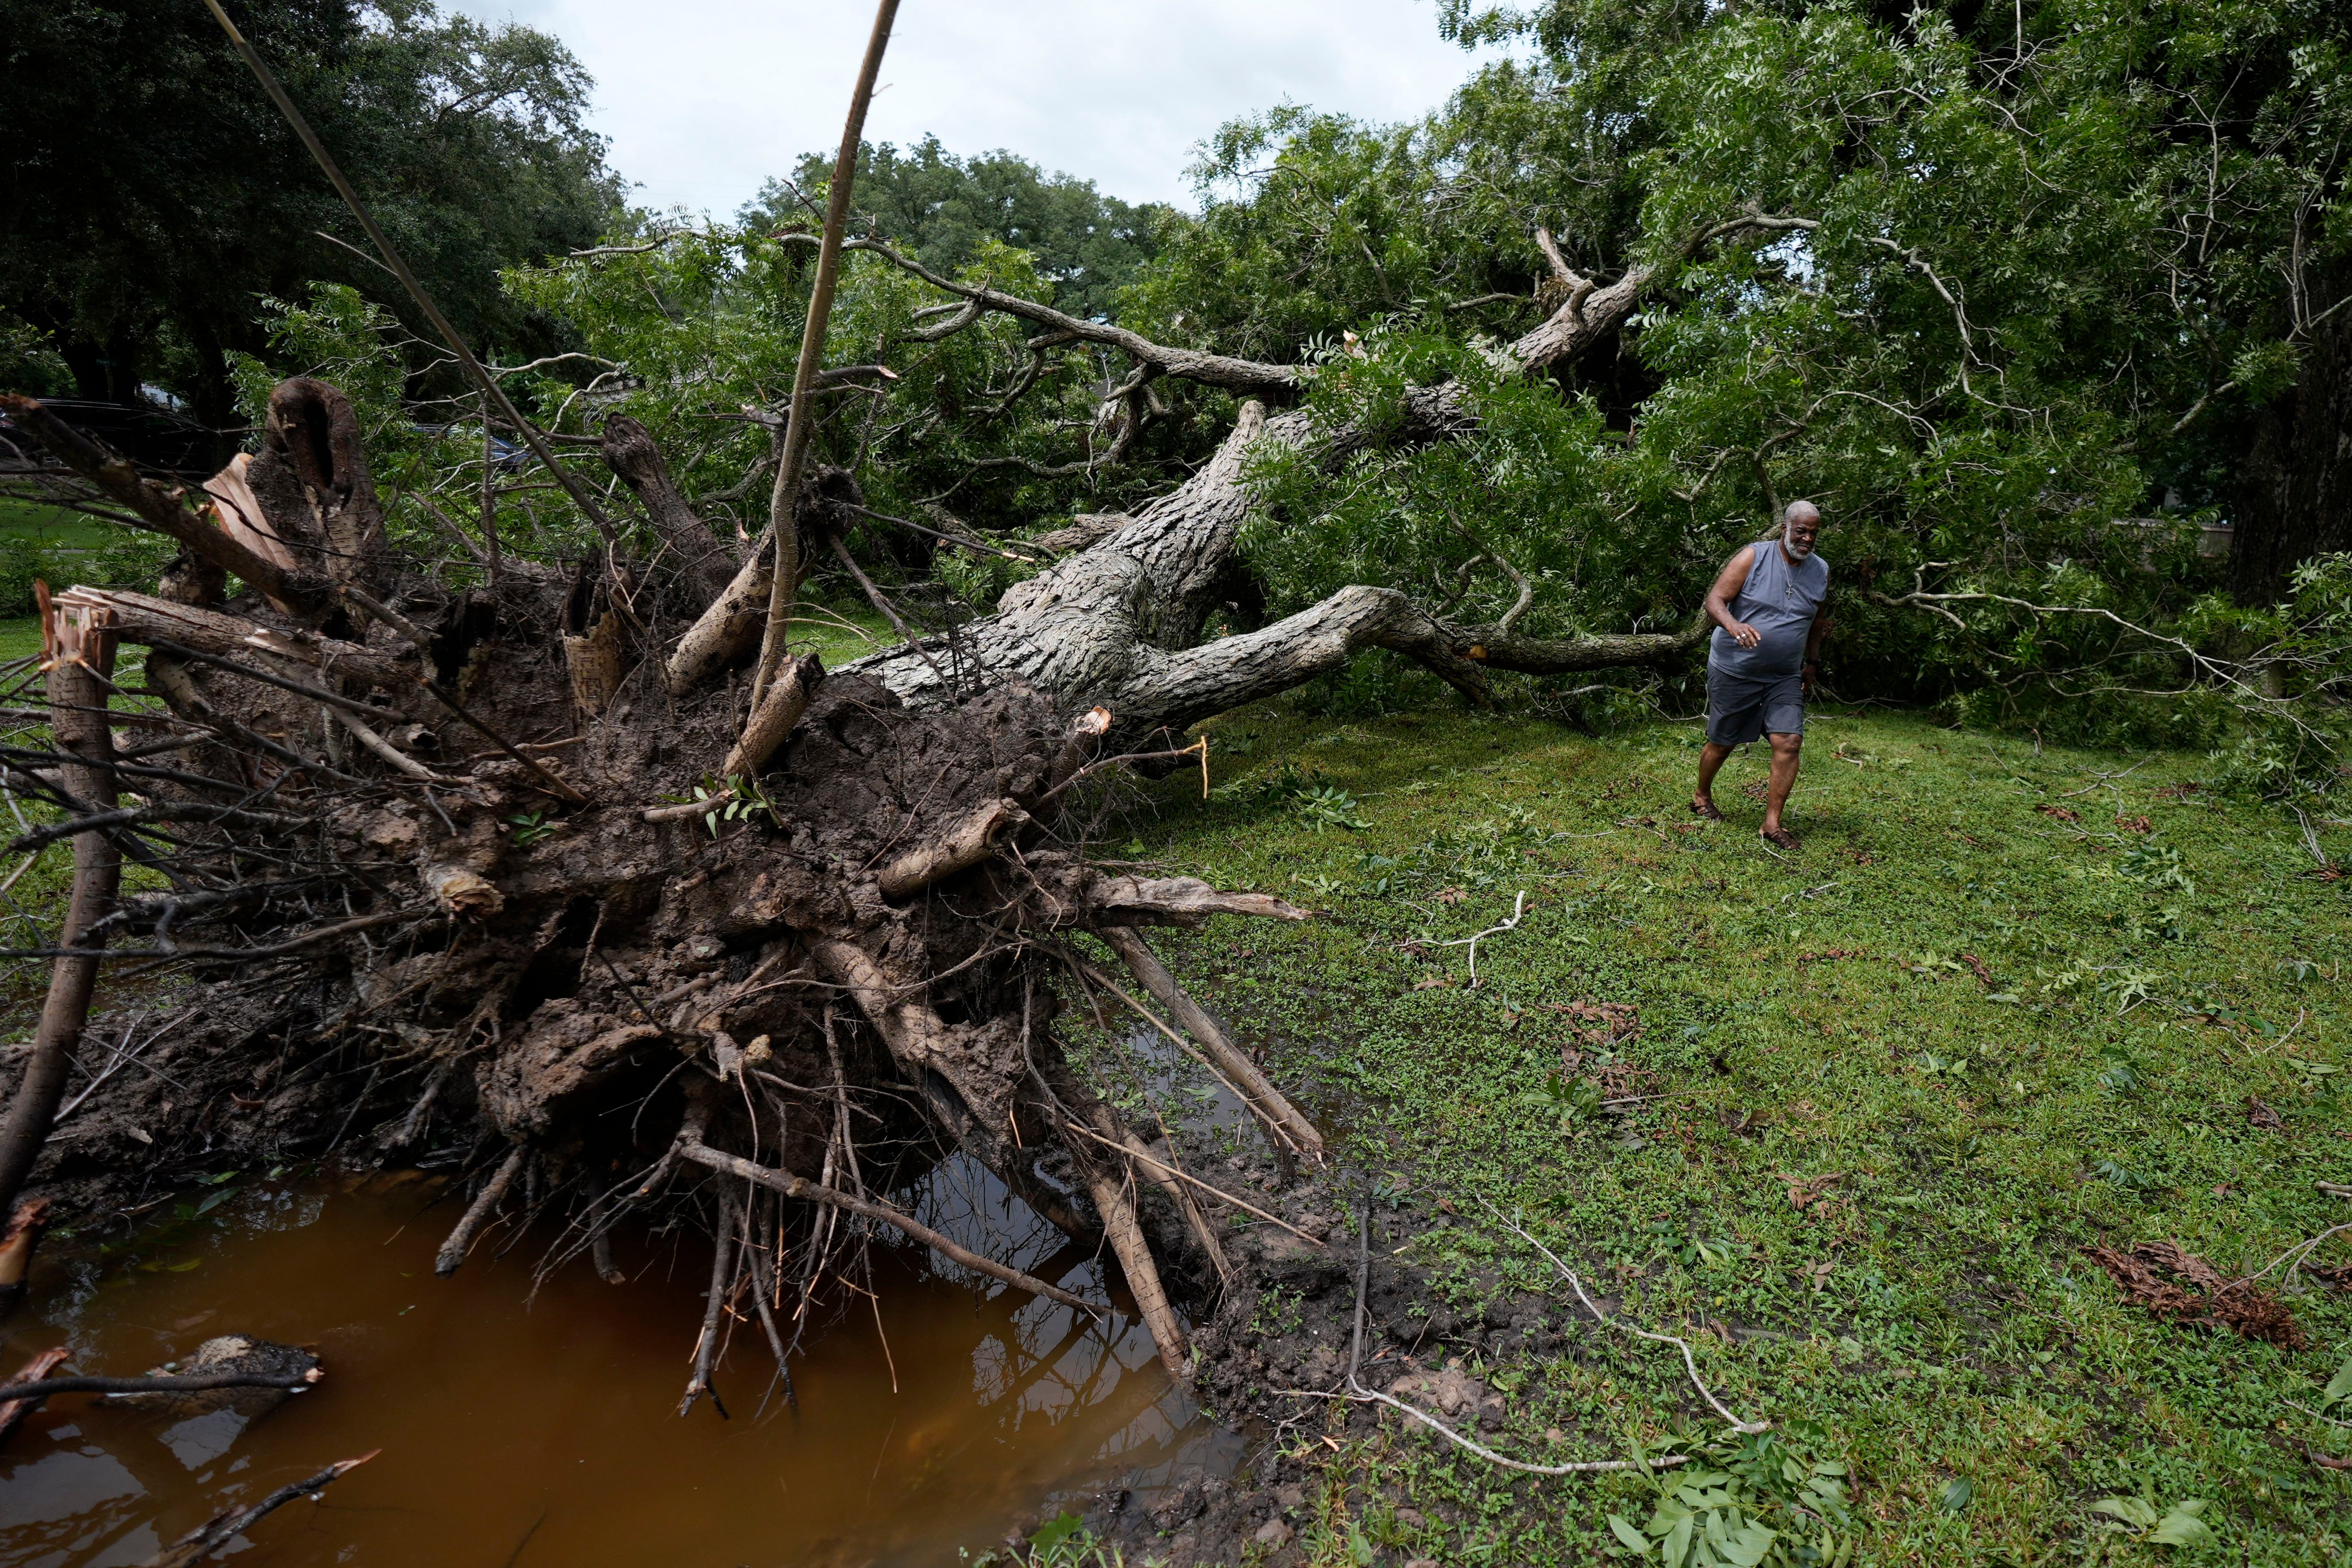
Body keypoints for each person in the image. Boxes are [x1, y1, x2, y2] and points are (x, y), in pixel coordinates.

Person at [1689, 501, 1829, 849]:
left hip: (1784, 675)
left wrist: (1813, 662)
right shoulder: (1753, 556)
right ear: (1785, 528)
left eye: (1813, 532)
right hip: (1736, 669)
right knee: (1724, 741)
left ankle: (1771, 824)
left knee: (1789, 742)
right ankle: (1701, 796)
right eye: (1801, 530)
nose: (1807, 538)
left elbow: (1816, 621)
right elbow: (1715, 601)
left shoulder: (1821, 570)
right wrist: (1735, 625)